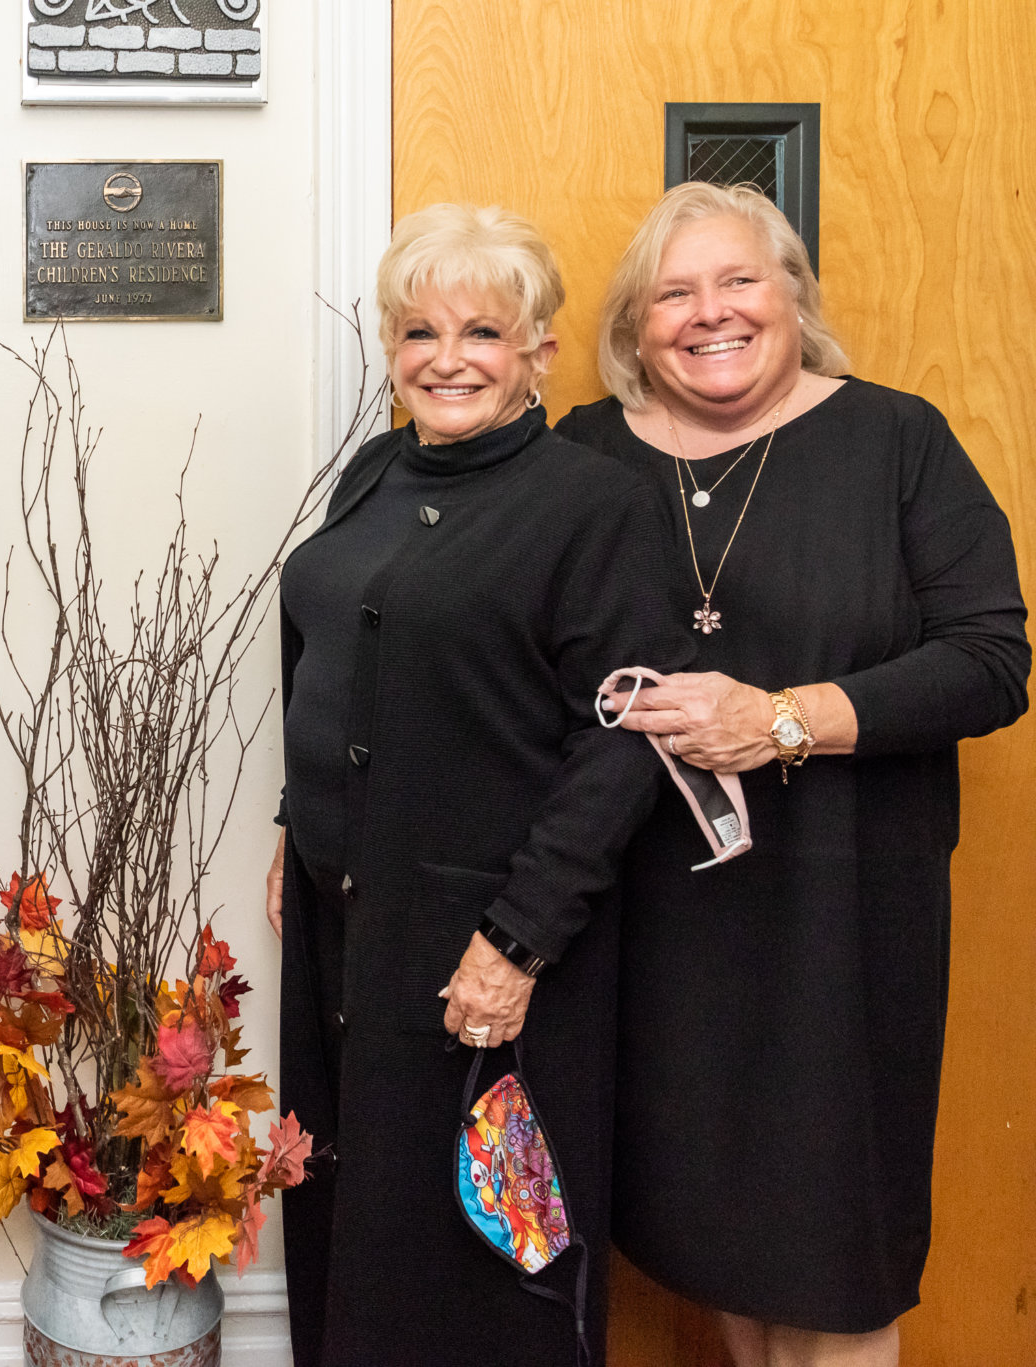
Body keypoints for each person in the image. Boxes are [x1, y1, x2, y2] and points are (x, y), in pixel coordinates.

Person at [558, 181, 1029, 1367]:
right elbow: (477, 652)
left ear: (790, 296)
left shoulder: (894, 439)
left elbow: (989, 661)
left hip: (840, 918)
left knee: (832, 1245)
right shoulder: (584, 452)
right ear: (634, 322)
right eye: (672, 292)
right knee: (705, 1228)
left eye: (736, 280)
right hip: (652, 921)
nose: (706, 313)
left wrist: (778, 719)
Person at [265, 203, 692, 1365]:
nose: (444, 358)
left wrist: (514, 943)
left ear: (537, 355)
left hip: (487, 938)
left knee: (480, 1248)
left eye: (480, 333)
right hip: (341, 918)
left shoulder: (593, 507)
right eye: (417, 332)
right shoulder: (372, 471)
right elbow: (332, 648)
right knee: (350, 1220)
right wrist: (293, 817)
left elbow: (621, 746)